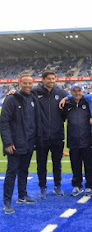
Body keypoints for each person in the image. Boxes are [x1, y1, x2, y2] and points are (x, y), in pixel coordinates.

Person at [1, 75, 41, 214]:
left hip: (29, 142)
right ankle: (7, 202)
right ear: (19, 83)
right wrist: (8, 142)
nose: (28, 85)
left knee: (24, 170)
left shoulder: (33, 98)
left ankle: (22, 196)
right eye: (25, 83)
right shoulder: (11, 99)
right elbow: (4, 122)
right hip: (15, 143)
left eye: (30, 83)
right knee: (11, 172)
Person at [33, 71, 68, 199]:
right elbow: (22, 95)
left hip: (57, 135)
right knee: (41, 164)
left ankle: (57, 186)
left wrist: (67, 98)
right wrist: (13, 93)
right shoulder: (35, 92)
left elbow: (76, 98)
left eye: (53, 79)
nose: (51, 81)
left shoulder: (61, 93)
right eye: (49, 79)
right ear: (43, 79)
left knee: (57, 163)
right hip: (41, 135)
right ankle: (42, 187)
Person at [62, 84, 92, 197]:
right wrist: (66, 98)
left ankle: (89, 186)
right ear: (71, 92)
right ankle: (77, 186)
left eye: (79, 90)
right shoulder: (67, 104)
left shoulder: (88, 102)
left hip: (87, 139)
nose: (77, 93)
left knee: (89, 165)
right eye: (74, 91)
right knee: (75, 165)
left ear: (82, 91)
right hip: (73, 140)